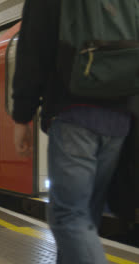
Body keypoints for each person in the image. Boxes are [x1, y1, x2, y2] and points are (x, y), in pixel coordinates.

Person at [12, 1, 131, 263]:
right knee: (86, 216)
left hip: (74, 113)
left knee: (69, 217)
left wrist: (22, 115)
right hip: (120, 117)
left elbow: (33, 49)